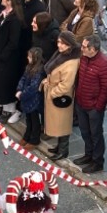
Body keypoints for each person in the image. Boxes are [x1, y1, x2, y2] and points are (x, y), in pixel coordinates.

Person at [73, 35, 107, 173]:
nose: (81, 48)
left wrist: (98, 107)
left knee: (96, 134)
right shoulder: (84, 57)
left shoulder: (104, 64)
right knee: (85, 132)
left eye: (84, 47)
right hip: (81, 102)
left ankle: (97, 161)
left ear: (93, 49)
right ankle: (88, 155)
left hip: (93, 107)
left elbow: (106, 88)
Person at [40, 32, 80, 161]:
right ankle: (59, 147)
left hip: (61, 97)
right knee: (58, 123)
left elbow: (66, 84)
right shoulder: (62, 55)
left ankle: (64, 150)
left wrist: (52, 93)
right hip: (55, 92)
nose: (60, 45)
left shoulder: (71, 62)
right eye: (59, 42)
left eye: (63, 43)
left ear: (70, 45)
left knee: (62, 123)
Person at [15, 47, 45, 148]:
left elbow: (33, 87)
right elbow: (23, 78)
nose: (28, 58)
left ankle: (34, 139)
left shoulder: (39, 71)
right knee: (29, 119)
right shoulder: (29, 67)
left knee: (35, 120)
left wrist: (22, 94)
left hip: (34, 100)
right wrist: (19, 89)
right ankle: (27, 135)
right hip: (27, 99)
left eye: (30, 57)